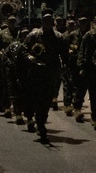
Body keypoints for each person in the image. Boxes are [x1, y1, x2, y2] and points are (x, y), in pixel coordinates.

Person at [18, 13, 63, 143]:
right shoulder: (33, 36)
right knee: (37, 99)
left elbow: (64, 53)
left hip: (50, 74)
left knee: (47, 101)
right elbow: (24, 50)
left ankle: (41, 121)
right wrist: (31, 58)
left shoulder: (58, 37)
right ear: (42, 22)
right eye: (45, 21)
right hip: (36, 73)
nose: (47, 23)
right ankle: (39, 123)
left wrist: (64, 68)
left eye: (50, 21)